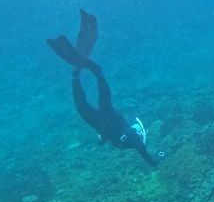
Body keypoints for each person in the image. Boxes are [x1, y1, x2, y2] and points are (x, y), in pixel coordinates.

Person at [47, 9, 158, 167]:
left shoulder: (130, 140)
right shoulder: (135, 141)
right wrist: (158, 162)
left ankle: (76, 75)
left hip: (101, 125)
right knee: (102, 102)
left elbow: (110, 141)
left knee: (82, 106)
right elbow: (147, 157)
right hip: (111, 122)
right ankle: (97, 73)